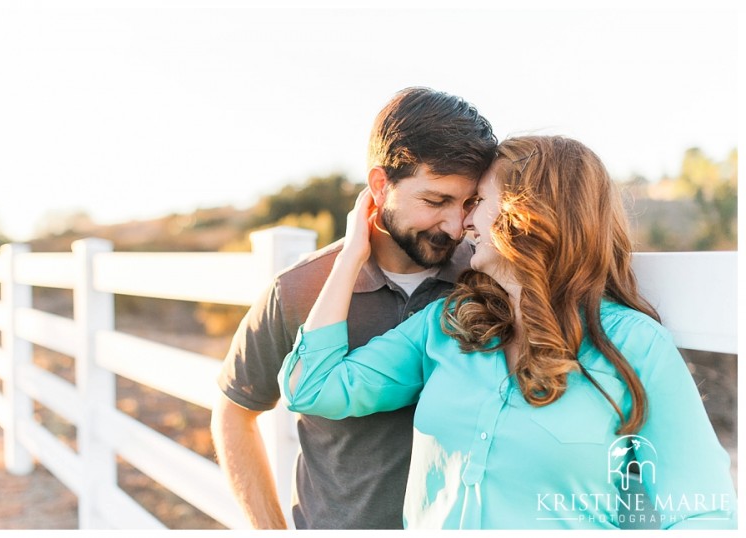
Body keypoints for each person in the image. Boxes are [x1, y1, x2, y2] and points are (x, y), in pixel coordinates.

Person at [279, 135, 737, 529]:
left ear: (528, 213)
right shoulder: (446, 325)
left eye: (477, 202)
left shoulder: (636, 345)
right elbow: (310, 388)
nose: (463, 223)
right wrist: (351, 256)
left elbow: (704, 512)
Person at [213, 87, 497, 529]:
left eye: (468, 203)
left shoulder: (487, 281)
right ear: (381, 186)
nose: (455, 225)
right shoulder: (298, 288)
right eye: (435, 201)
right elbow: (235, 411)